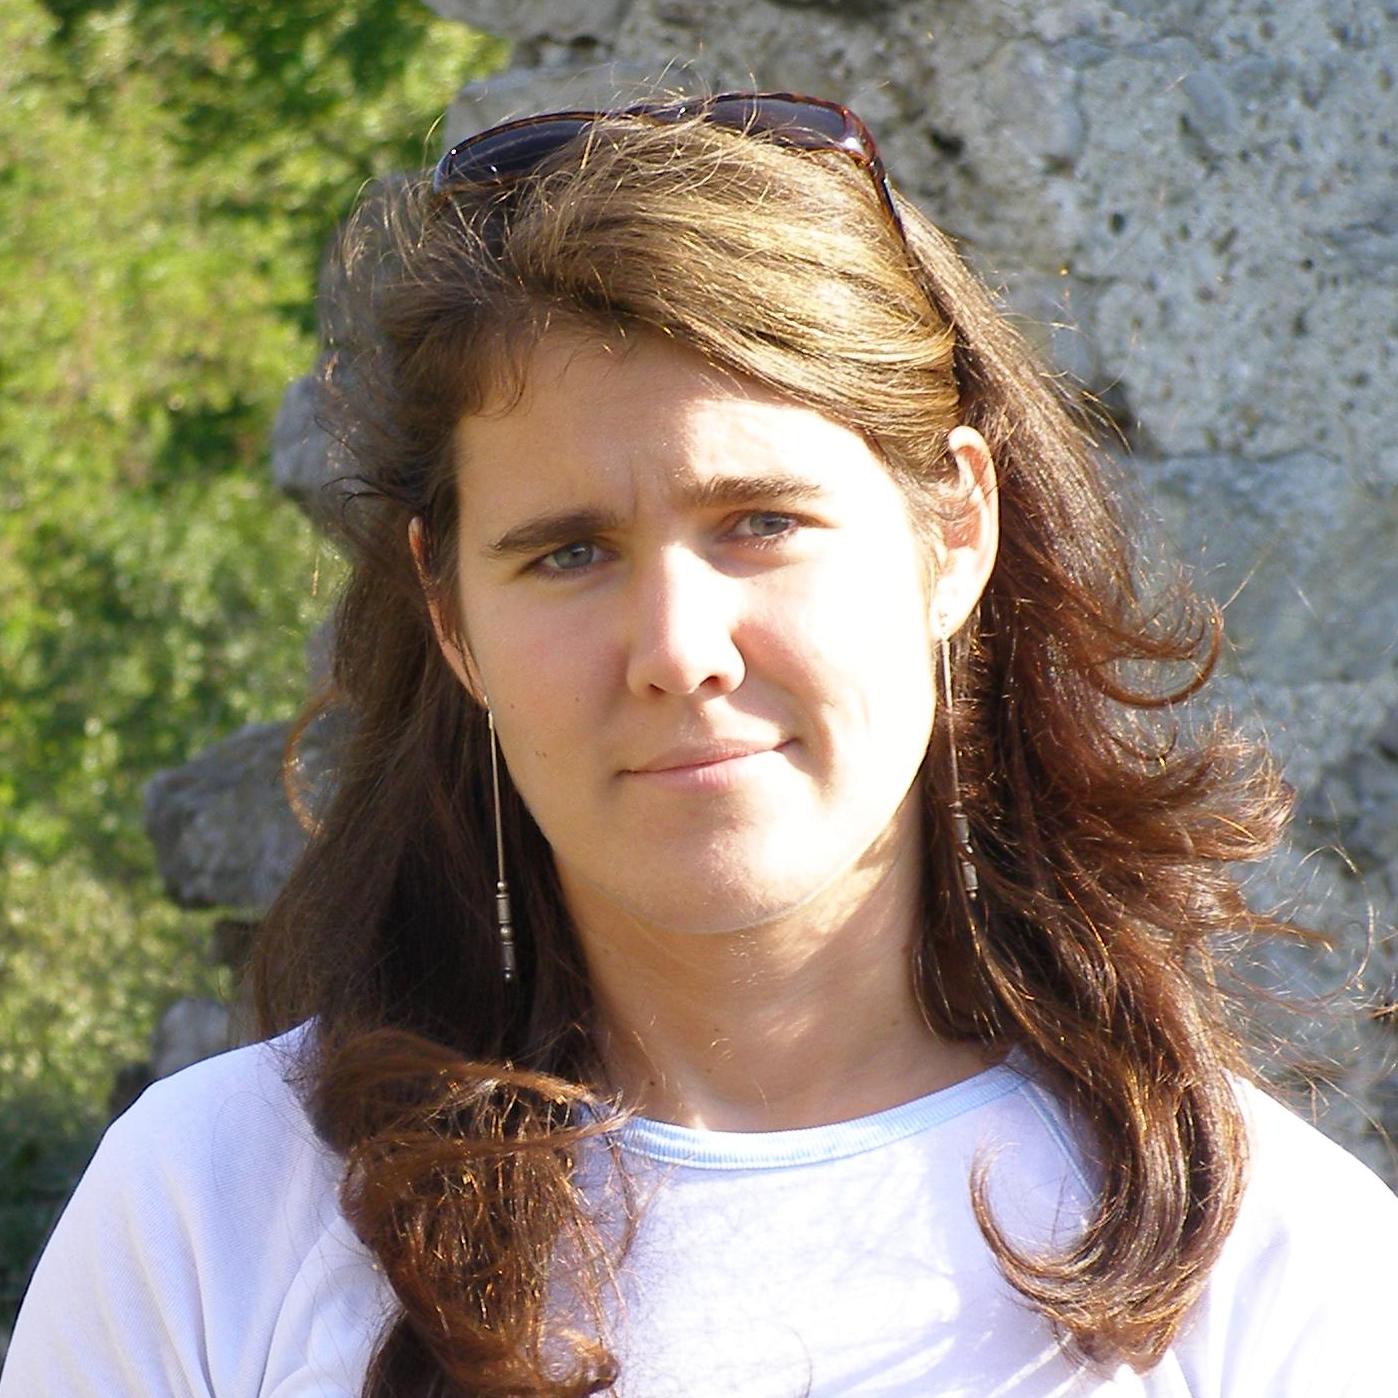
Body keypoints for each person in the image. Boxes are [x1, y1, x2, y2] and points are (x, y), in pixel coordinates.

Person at [4, 91, 1396, 1398]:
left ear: (956, 530)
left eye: (761, 521)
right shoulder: (213, 1210)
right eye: (566, 552)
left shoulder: (1273, 1268)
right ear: (451, 615)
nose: (677, 648)